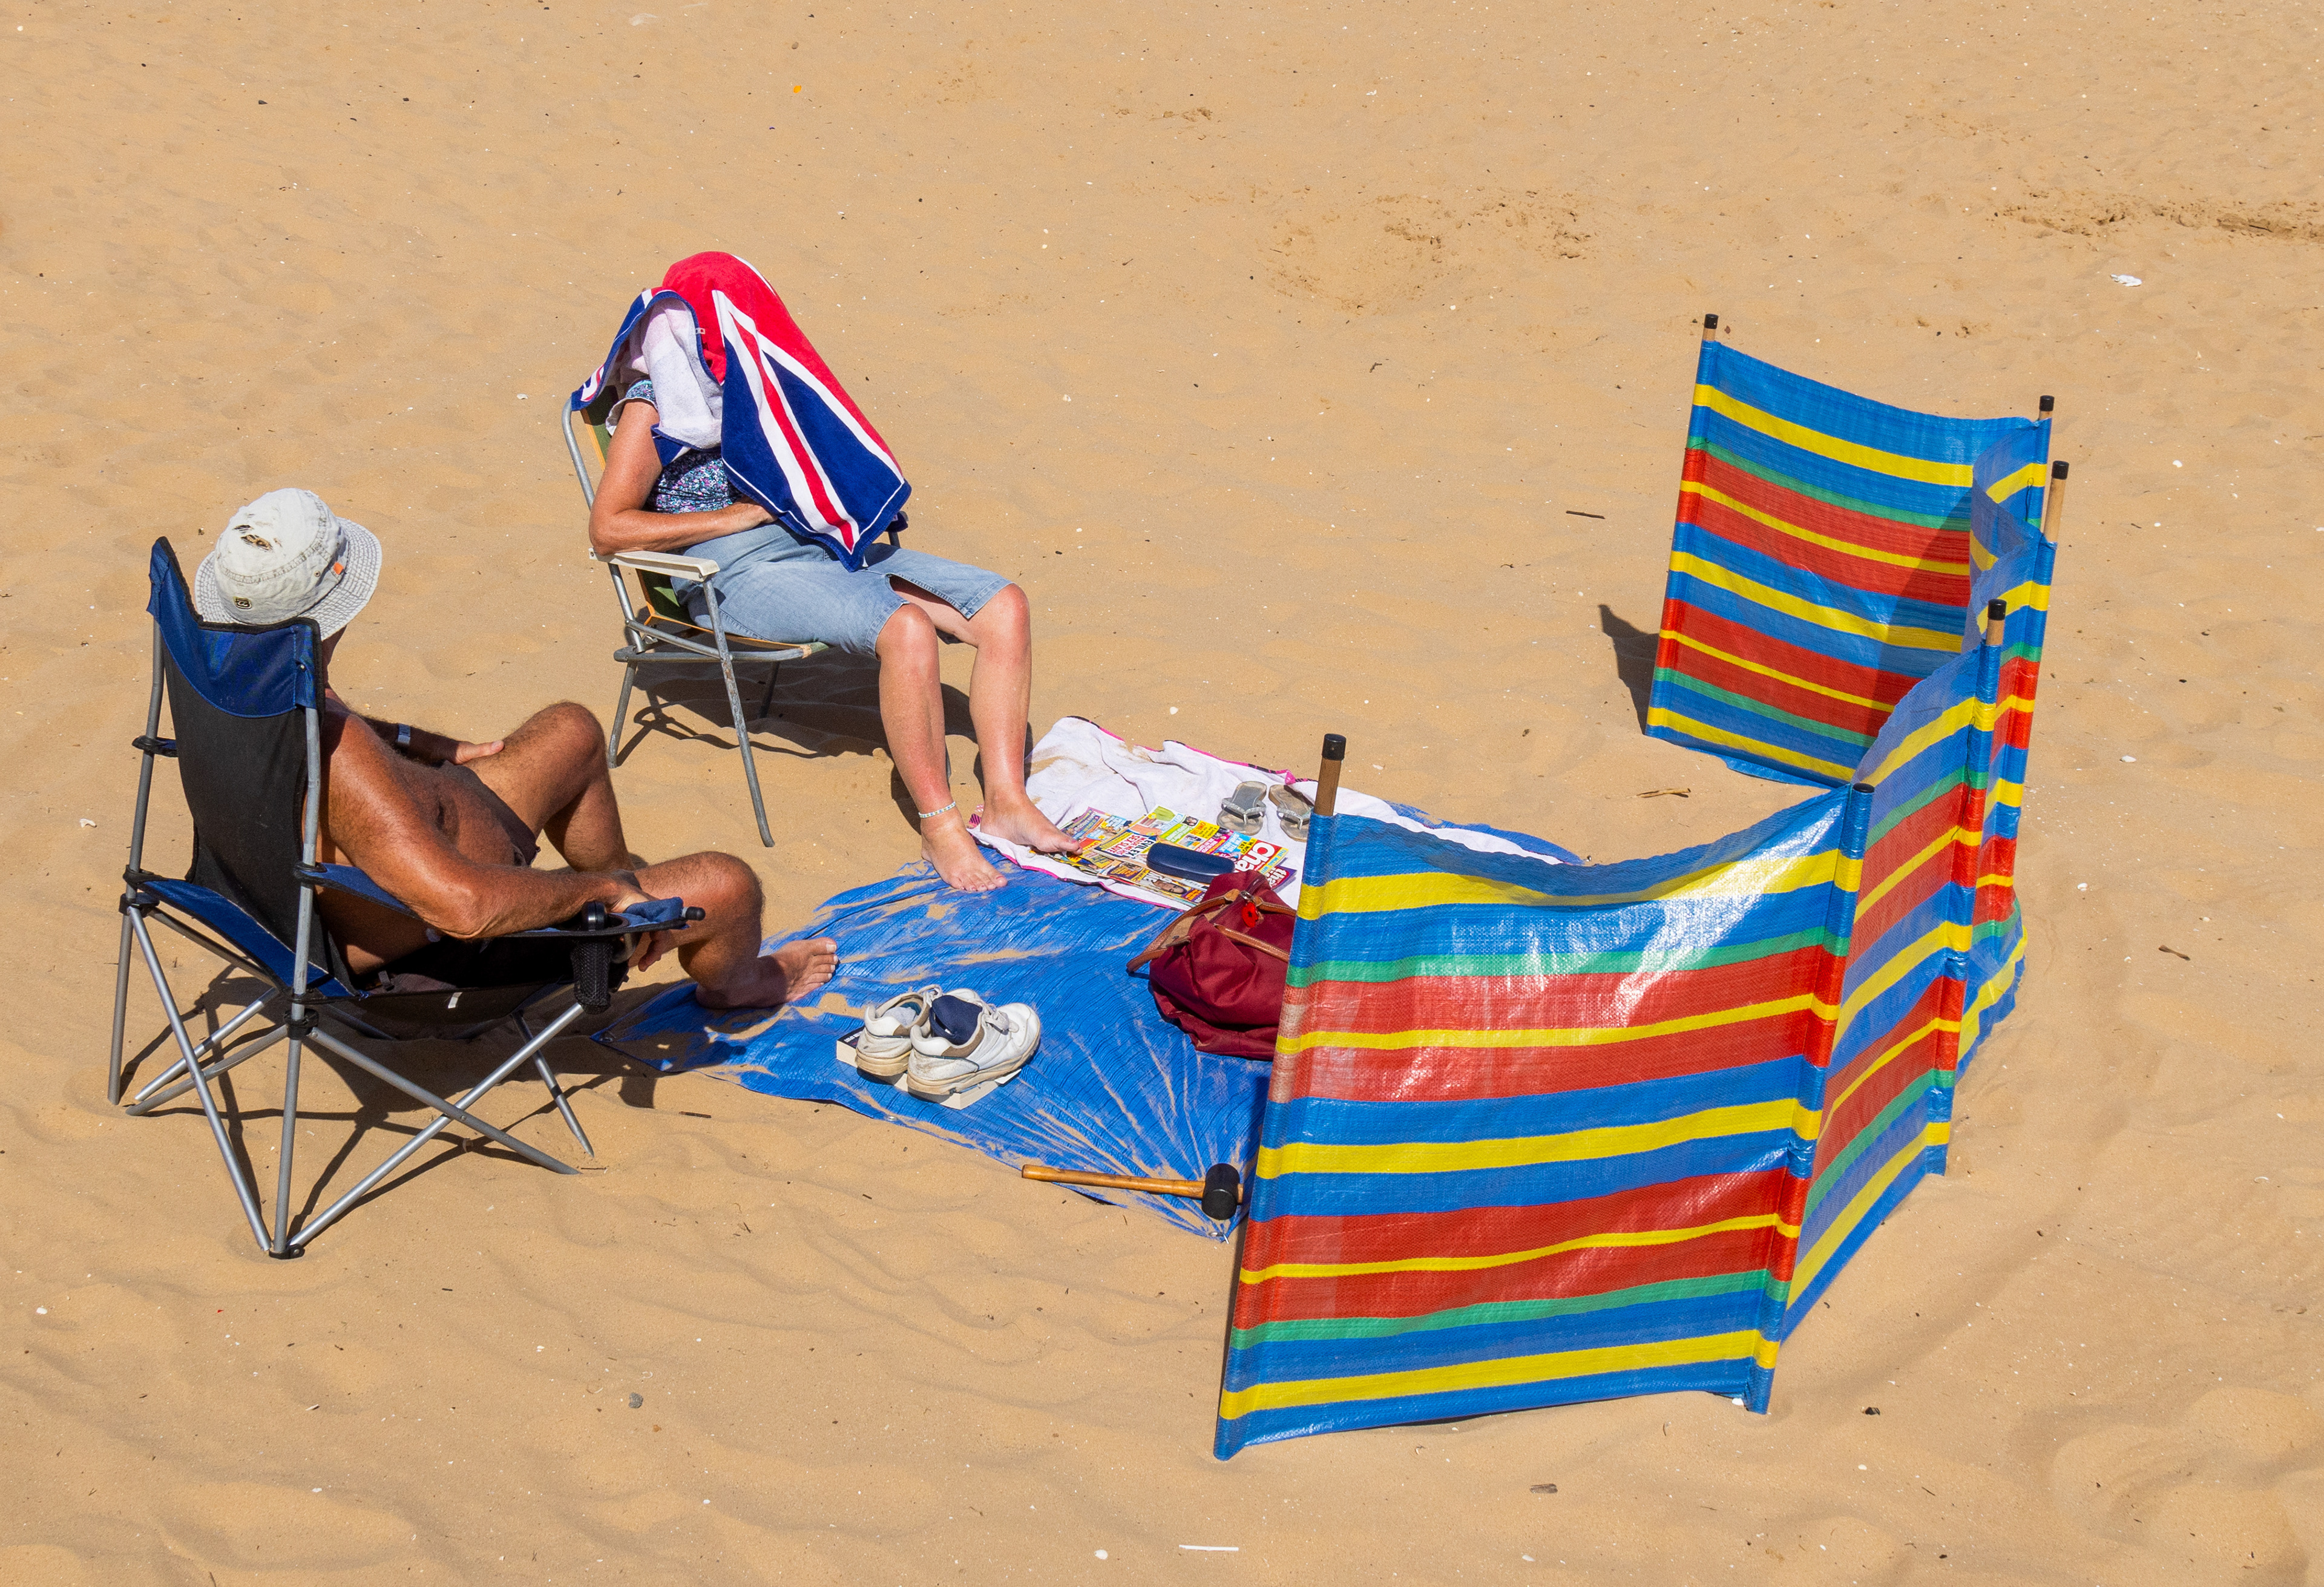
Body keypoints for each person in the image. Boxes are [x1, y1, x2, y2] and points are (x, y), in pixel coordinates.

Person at [193, 487, 837, 1009]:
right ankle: (728, 981)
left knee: (573, 731)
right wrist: (600, 896)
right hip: (441, 936)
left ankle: (636, 918)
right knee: (728, 886)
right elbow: (464, 907)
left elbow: (345, 749)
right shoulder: (337, 754)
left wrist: (420, 743)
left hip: (409, 846)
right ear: (340, 600)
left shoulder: (238, 685)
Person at [583, 326, 1077, 893]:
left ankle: (1006, 801)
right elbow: (608, 531)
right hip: (735, 572)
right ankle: (939, 824)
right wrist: (736, 518)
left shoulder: (761, 391)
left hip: (820, 545)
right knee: (906, 627)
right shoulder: (654, 407)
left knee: (1004, 607)